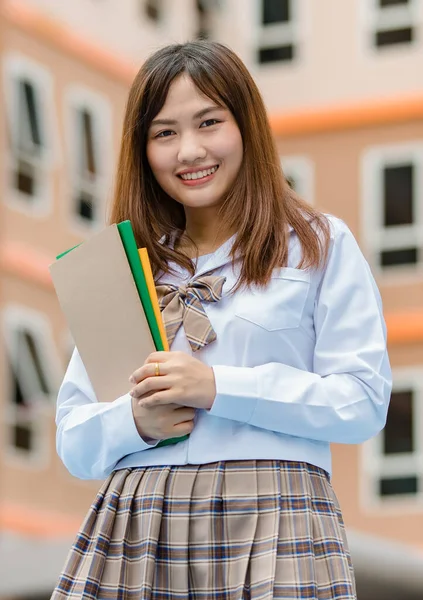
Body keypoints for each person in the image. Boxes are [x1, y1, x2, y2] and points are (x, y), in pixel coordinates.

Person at [51, 41, 391, 599]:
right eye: (164, 133)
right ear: (142, 150)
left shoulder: (316, 244)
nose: (189, 150)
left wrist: (217, 387)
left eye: (209, 122)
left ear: (246, 126)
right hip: (141, 522)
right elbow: (73, 436)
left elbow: (360, 401)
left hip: (276, 516)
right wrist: (135, 423)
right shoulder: (119, 268)